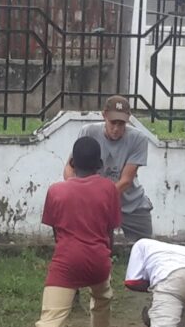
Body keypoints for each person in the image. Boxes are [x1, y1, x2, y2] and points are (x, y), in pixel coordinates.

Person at [0, 137, 122, 327]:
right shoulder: (109, 189)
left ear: (71, 164)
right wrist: (104, 259)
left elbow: (56, 234)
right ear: (100, 165)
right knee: (102, 300)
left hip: (67, 260)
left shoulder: (56, 191)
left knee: (50, 322)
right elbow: (110, 232)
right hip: (98, 259)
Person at [64, 95, 152, 242]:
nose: (116, 129)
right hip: (94, 202)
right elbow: (70, 167)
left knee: (147, 246)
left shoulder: (138, 139)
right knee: (91, 244)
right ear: (104, 115)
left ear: (128, 119)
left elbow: (125, 181)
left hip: (130, 203)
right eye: (112, 122)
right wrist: (77, 192)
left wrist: (97, 200)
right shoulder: (88, 132)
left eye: (121, 123)